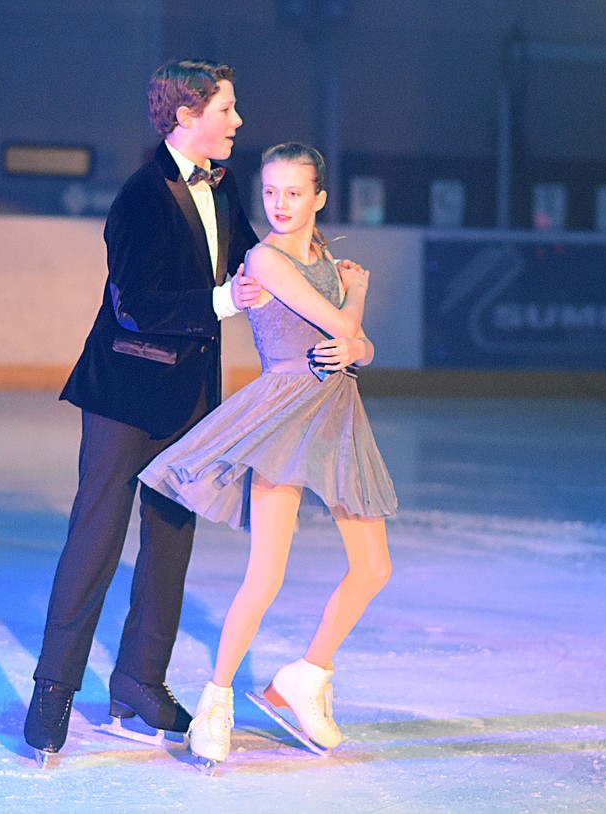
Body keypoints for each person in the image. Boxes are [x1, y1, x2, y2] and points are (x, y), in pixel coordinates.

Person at [23, 59, 261, 759]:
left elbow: (250, 257)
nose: (237, 121)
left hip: (189, 398)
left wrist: (309, 264)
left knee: (170, 542)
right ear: (187, 115)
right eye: (227, 109)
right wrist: (220, 303)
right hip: (125, 394)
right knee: (95, 540)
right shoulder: (139, 198)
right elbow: (133, 306)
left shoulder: (223, 184)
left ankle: (138, 680)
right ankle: (54, 686)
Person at [139, 142, 396, 768]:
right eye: (271, 193)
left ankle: (305, 677)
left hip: (337, 415)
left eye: (293, 193)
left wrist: (356, 337)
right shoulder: (266, 258)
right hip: (282, 414)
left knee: (373, 568)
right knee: (267, 574)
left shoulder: (329, 261)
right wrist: (358, 299)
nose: (279, 205)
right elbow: (345, 331)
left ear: (319, 199)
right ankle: (217, 698)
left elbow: (360, 355)